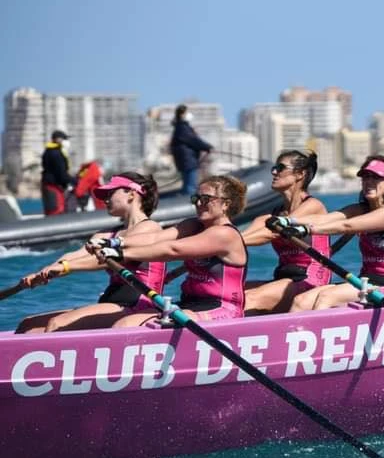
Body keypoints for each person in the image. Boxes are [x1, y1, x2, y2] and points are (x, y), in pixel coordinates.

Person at [16, 172, 166, 333]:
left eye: (111, 193)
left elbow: (110, 257)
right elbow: (73, 256)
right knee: (29, 325)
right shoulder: (106, 234)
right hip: (111, 301)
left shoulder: (150, 228)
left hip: (140, 304)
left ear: (131, 194)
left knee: (57, 324)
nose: (105, 200)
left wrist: (66, 267)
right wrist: (41, 274)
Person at [101, 175, 248, 327]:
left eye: (205, 199)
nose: (198, 203)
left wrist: (122, 254)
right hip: (190, 304)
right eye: (195, 198)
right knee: (125, 323)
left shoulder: (225, 234)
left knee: (128, 326)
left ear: (225, 204)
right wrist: (115, 242)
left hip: (223, 309)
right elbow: (156, 238)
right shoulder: (193, 225)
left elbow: (173, 249)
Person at [285, 155, 384, 312]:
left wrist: (307, 230)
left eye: (375, 178)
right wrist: (289, 221)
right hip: (364, 282)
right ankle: (291, 334)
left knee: (327, 297)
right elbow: (325, 219)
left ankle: (316, 333)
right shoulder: (359, 209)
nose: (369, 182)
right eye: (365, 177)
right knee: (301, 300)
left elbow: (346, 225)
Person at [240, 150, 331, 314]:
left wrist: (232, 243)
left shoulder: (313, 207)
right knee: (232, 295)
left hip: (309, 281)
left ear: (300, 174)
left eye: (280, 168)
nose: (274, 172)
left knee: (249, 299)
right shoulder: (274, 213)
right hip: (283, 279)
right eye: (274, 167)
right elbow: (241, 238)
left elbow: (273, 233)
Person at [170, 104, 213, 196]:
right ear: (182, 114)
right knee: (190, 186)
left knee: (189, 184)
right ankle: (191, 201)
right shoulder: (183, 128)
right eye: (187, 112)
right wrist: (207, 147)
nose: (189, 114)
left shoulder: (181, 127)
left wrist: (206, 147)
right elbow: (193, 140)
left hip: (187, 160)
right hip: (188, 161)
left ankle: (188, 197)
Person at [40, 130, 74, 215]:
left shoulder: (48, 151)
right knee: (56, 211)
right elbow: (61, 173)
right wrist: (74, 181)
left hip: (50, 185)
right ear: (58, 139)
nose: (67, 141)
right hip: (54, 187)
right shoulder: (56, 153)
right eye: (65, 139)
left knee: (51, 210)